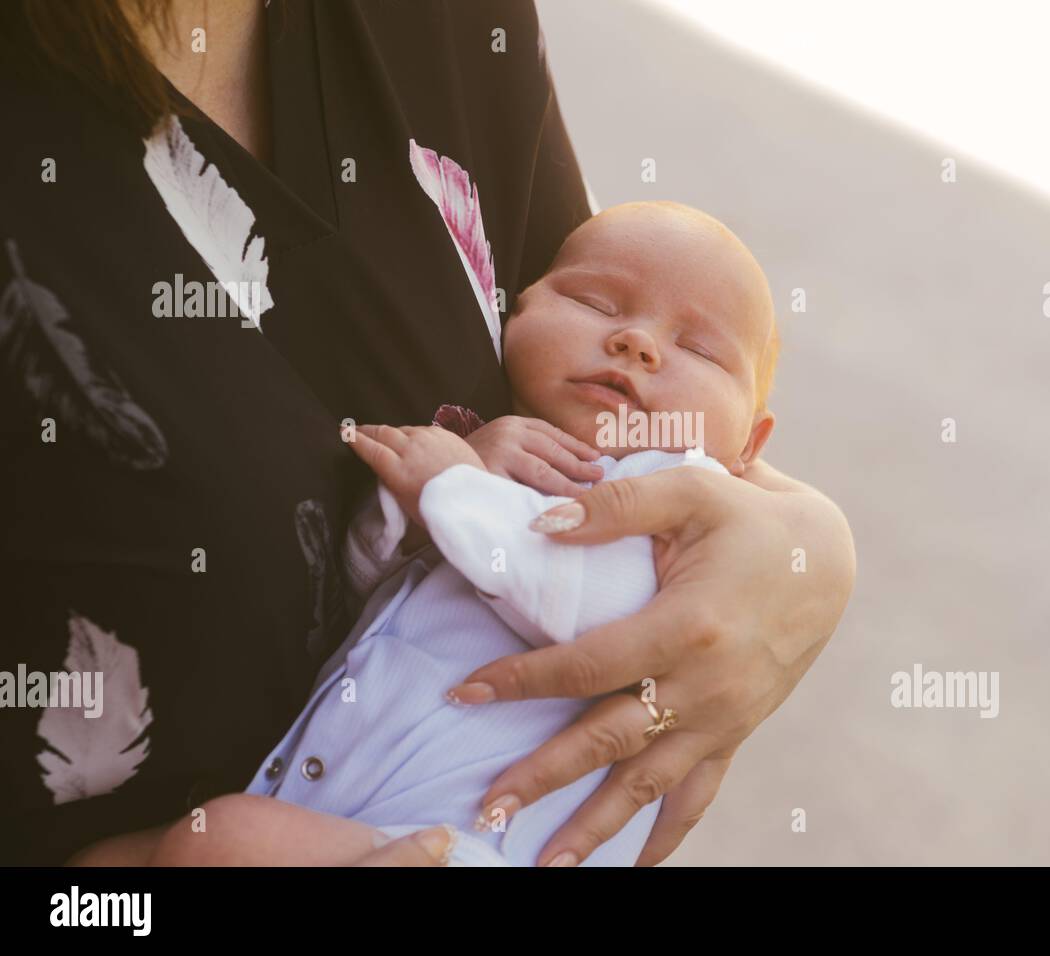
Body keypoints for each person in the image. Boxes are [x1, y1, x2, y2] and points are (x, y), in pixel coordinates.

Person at [0, 0, 856, 867]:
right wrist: (434, 494)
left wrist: (813, 550)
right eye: (598, 307)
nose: (635, 340)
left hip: (461, 837)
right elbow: (392, 565)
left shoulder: (661, 502)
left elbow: (572, 580)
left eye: (698, 349)